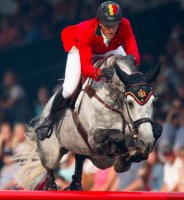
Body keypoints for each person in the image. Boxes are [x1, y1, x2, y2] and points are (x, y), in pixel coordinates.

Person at [35, 1, 140, 141]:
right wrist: (99, 73)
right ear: (100, 22)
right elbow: (86, 68)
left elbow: (134, 53)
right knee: (69, 88)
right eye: (107, 25)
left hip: (109, 48)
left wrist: (132, 60)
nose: (111, 29)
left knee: (129, 71)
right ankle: (49, 120)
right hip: (80, 48)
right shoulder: (86, 30)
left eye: (115, 24)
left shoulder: (125, 24)